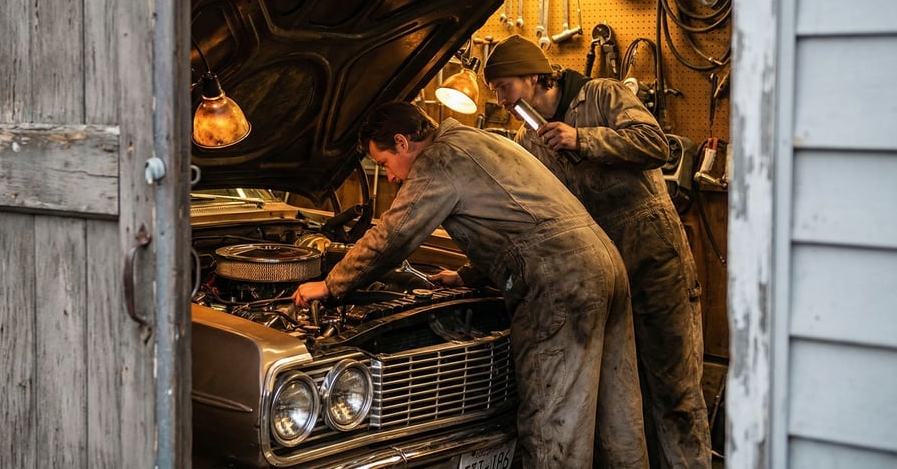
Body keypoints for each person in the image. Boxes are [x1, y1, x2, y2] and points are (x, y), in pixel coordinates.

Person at [292, 101, 648, 467]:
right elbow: (521, 220)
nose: (392, 178)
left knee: (554, 425)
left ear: (401, 142)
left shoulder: (439, 160)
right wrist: (466, 276)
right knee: (619, 415)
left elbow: (393, 236)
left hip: (560, 283)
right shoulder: (479, 140)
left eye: (384, 165)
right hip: (605, 263)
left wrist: (332, 285)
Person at [482, 34, 712, 469]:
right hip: (602, 273)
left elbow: (654, 145)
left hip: (654, 259)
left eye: (503, 85)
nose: (499, 97)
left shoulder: (602, 94)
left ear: (533, 76)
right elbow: (532, 220)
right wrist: (476, 274)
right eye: (494, 89)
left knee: (675, 392)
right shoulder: (528, 141)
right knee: (624, 400)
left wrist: (582, 139)